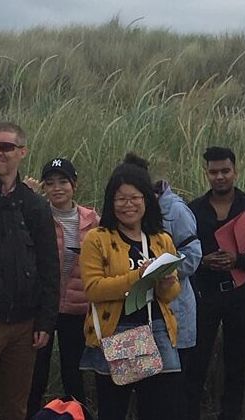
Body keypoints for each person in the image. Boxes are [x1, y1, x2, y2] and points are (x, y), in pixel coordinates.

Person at [0, 122, 60, 420]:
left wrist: (46, 321)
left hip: (25, 325)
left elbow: (49, 267)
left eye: (5, 147)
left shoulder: (34, 205)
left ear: (22, 152)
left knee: (16, 407)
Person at [78, 159, 182, 420]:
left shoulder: (161, 239)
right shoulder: (97, 238)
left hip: (156, 330)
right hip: (119, 332)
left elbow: (170, 295)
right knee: (114, 409)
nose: (128, 205)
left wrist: (166, 283)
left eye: (135, 198)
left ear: (147, 200)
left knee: (159, 409)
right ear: (111, 202)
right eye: (121, 199)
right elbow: (93, 289)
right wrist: (138, 276)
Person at [188, 146, 245, 420]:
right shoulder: (193, 211)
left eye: (225, 171)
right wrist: (204, 261)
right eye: (213, 172)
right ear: (206, 174)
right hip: (205, 295)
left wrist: (238, 260)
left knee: (236, 362)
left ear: (235, 172)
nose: (220, 177)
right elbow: (180, 251)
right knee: (196, 360)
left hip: (240, 295)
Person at [120, 152, 204, 419]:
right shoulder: (119, 220)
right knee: (139, 395)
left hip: (173, 320)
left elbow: (193, 257)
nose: (129, 201)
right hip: (133, 324)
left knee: (170, 397)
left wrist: (158, 273)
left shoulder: (175, 211)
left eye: (135, 192)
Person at [26, 158, 100, 418]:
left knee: (73, 372)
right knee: (36, 373)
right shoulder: (37, 215)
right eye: (50, 183)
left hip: (77, 308)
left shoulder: (93, 221)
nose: (57, 188)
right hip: (43, 308)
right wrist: (26, 196)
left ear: (74, 185)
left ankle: (75, 415)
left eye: (63, 182)